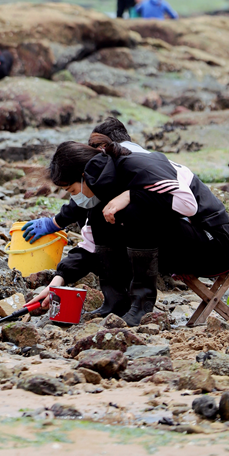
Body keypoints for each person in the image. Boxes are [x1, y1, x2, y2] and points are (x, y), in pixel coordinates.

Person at [36, 140, 229, 326]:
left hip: (213, 245)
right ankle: (115, 303)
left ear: (84, 175)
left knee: (131, 210)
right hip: (176, 248)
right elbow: (90, 245)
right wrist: (59, 279)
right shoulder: (103, 187)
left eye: (71, 190)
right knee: (104, 214)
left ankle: (142, 306)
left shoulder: (136, 166)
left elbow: (188, 205)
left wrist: (131, 194)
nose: (74, 197)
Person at [22, 119, 152, 318]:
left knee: (107, 226)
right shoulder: (104, 180)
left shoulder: (127, 167)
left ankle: (132, 306)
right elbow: (88, 236)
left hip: (167, 242)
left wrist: (55, 223)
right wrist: (59, 279)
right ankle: (117, 303)